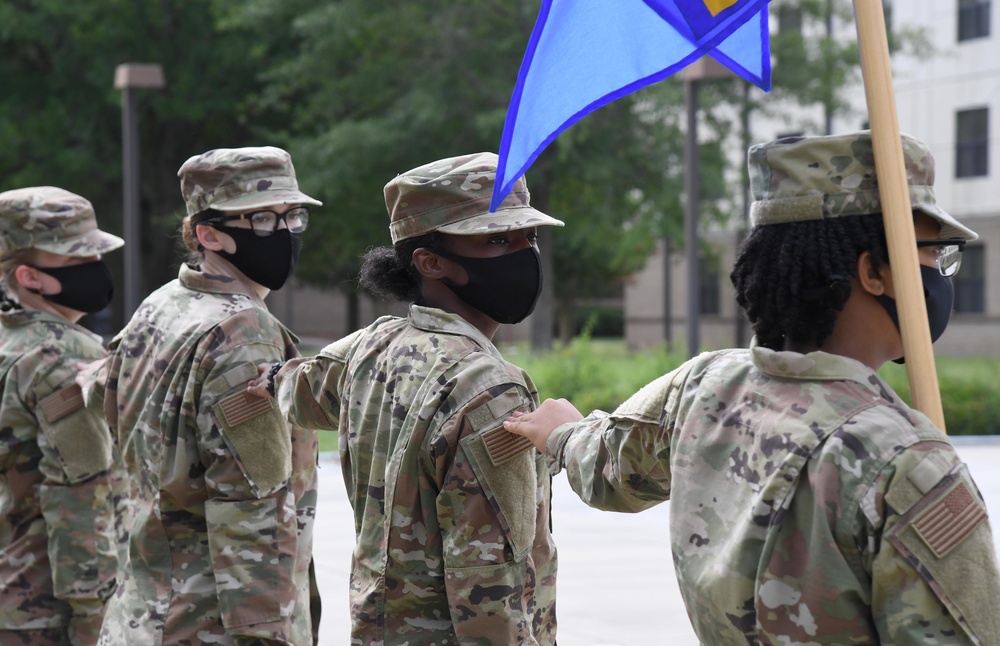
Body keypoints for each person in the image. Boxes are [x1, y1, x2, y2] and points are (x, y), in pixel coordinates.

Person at [504, 131, 1000, 644]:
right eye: (934, 253)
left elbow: (610, 469)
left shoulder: (705, 387)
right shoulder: (907, 463)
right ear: (874, 271)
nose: (941, 273)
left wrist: (564, 434)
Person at [249, 152, 562, 644]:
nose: (524, 253)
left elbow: (303, 389)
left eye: (529, 237)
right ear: (430, 262)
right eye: (497, 239)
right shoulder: (488, 388)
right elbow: (491, 586)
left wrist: (271, 379)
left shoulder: (371, 348)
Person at [95, 147, 322, 645]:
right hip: (209, 623)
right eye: (262, 219)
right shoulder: (243, 333)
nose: (283, 233)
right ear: (208, 233)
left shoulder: (161, 306)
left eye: (293, 216)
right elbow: (251, 514)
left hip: (144, 614)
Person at [0, 186, 122, 645]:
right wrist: (97, 623)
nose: (96, 270)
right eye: (78, 261)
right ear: (30, 276)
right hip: (46, 612)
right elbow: (81, 501)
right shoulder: (66, 358)